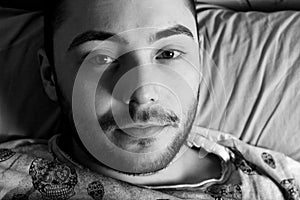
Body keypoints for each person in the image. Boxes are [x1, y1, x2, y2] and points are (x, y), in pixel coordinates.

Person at [0, 0, 300, 199]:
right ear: (49, 76)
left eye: (168, 54)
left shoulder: (277, 176)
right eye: (101, 57)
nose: (144, 93)